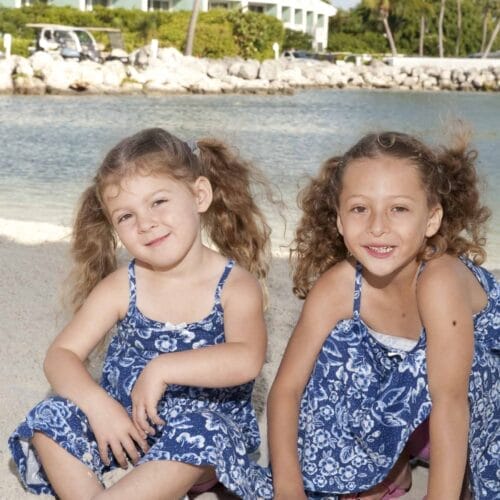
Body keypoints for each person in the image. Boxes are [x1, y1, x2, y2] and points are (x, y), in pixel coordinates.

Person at [9, 127, 274, 499]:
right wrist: (99, 407)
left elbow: (246, 359)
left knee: (206, 429)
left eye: (159, 201)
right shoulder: (123, 284)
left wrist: (162, 368)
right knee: (49, 418)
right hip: (124, 430)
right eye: (125, 216)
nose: (145, 223)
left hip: (198, 443)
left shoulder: (234, 285)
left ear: (199, 195)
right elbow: (60, 355)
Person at [267, 129, 499, 499]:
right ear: (340, 221)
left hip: (477, 415)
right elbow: (286, 390)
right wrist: (288, 488)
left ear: (431, 219)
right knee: (334, 352)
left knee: (444, 367)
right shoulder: (339, 287)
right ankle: (388, 466)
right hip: (415, 419)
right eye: (360, 209)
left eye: (399, 209)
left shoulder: (439, 280)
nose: (377, 227)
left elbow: (451, 402)